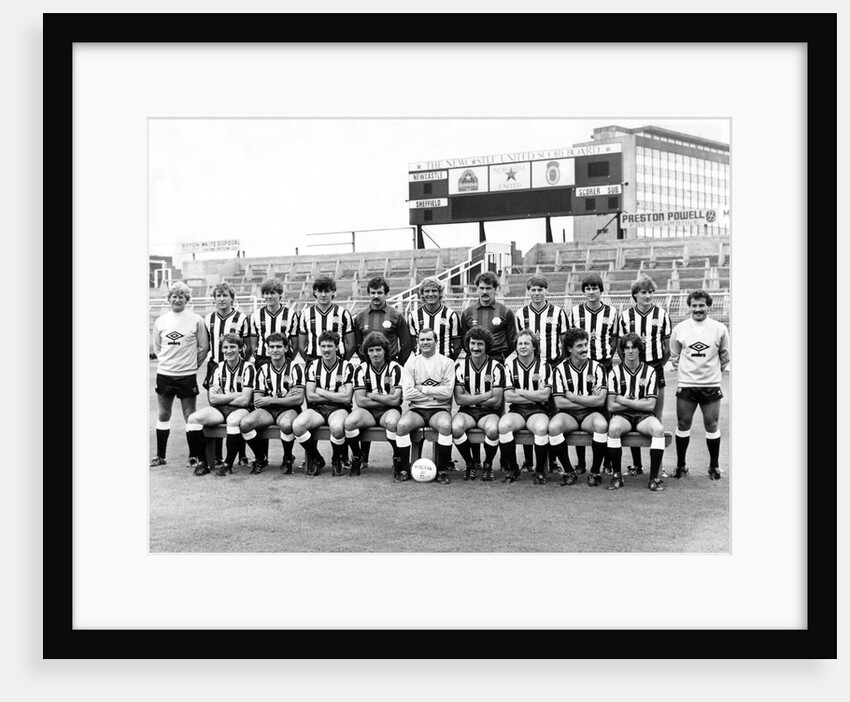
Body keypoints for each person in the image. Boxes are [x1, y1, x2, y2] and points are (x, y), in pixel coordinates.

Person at [352, 276, 412, 470]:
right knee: (360, 415)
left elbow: (407, 343)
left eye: (380, 292)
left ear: (387, 293)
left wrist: (395, 364)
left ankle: (398, 459)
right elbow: (359, 344)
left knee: (391, 415)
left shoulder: (395, 315)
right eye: (373, 292)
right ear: (369, 294)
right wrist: (367, 364)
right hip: (369, 369)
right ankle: (363, 458)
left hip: (390, 367)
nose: (376, 296)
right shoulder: (361, 317)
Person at [669, 290, 730, 480]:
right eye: (694, 305)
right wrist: (688, 371)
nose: (698, 309)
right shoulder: (680, 328)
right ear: (689, 307)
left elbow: (725, 355)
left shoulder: (719, 328)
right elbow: (674, 355)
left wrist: (709, 372)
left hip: (710, 385)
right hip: (687, 385)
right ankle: (681, 466)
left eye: (701, 305)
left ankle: (714, 466)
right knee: (683, 423)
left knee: (711, 425)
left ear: (708, 306)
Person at [150, 282, 210, 467]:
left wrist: (191, 365)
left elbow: (203, 347)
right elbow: (158, 347)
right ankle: (161, 456)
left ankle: (193, 456)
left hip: (187, 376)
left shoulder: (196, 320)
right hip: (165, 375)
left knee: (189, 415)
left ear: (187, 299)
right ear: (169, 298)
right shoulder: (161, 321)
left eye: (181, 296)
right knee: (163, 414)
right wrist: (168, 362)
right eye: (174, 296)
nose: (177, 299)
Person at [618, 275, 672, 477]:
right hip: (632, 370)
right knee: (632, 414)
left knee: (655, 418)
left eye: (650, 292)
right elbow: (620, 347)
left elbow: (667, 348)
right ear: (635, 295)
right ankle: (637, 465)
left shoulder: (662, 315)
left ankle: (658, 467)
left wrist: (656, 367)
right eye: (643, 292)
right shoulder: (625, 317)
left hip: (655, 368)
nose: (647, 295)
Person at [514, 275, 568, 472]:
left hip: (551, 365)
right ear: (528, 291)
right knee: (527, 409)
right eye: (533, 289)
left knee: (552, 415)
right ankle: (528, 461)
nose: (536, 293)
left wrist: (556, 365)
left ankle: (552, 462)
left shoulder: (559, 313)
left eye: (540, 289)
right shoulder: (521, 313)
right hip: (528, 366)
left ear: (547, 290)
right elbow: (520, 340)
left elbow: (564, 342)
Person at [567, 273, 619, 474]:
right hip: (580, 366)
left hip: (603, 366)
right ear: (584, 291)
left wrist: (605, 358)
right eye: (587, 288)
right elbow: (571, 339)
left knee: (604, 413)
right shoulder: (575, 312)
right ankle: (580, 462)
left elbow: (614, 340)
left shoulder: (612, 312)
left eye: (594, 288)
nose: (591, 292)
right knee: (579, 408)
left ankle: (605, 462)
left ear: (601, 290)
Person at [185, 334, 255, 476]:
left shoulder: (248, 368)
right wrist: (235, 394)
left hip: (242, 409)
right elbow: (213, 399)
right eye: (225, 347)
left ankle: (228, 464)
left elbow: (245, 400)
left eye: (232, 347)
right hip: (219, 409)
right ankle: (203, 463)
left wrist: (223, 395)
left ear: (241, 348)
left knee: (233, 421)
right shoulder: (218, 368)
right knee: (193, 420)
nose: (229, 351)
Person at [605, 333, 667, 492]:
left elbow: (650, 406)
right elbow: (611, 406)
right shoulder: (614, 373)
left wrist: (624, 401)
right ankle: (617, 476)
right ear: (623, 351)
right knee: (613, 429)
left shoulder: (651, 372)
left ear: (640, 350)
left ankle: (654, 478)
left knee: (659, 430)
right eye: (627, 348)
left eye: (634, 348)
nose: (631, 351)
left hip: (644, 417)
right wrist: (638, 403)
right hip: (622, 416)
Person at [548, 329, 609, 487]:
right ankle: (569, 471)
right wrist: (589, 399)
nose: (584, 349)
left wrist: (574, 397)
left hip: (591, 414)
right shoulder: (559, 370)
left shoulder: (598, 367)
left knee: (601, 426)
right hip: (569, 415)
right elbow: (560, 403)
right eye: (579, 346)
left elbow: (600, 401)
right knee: (554, 427)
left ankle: (595, 472)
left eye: (585, 344)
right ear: (569, 349)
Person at [394, 327, 456, 484]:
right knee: (401, 425)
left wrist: (422, 389)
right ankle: (403, 470)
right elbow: (408, 393)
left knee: (445, 425)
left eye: (429, 339)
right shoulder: (411, 363)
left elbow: (448, 393)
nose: (425, 342)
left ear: (436, 341)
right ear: (418, 342)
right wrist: (435, 394)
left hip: (439, 409)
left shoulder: (447, 363)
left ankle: (441, 470)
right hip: (417, 409)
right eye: (422, 339)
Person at [238, 332, 305, 475]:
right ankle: (260, 457)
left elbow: (298, 399)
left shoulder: (295, 367)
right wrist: (285, 397)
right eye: (272, 347)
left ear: (286, 348)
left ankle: (287, 457)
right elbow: (258, 400)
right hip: (268, 411)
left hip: (289, 409)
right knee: (245, 424)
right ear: (267, 349)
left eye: (279, 346)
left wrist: (271, 399)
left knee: (286, 424)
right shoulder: (262, 369)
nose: (275, 350)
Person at [202, 282, 251, 469]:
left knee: (239, 411)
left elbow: (246, 345)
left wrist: (239, 367)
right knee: (217, 407)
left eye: (225, 295)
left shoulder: (241, 318)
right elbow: (206, 345)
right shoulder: (208, 319)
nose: (221, 299)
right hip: (215, 365)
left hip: (237, 366)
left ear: (232, 298)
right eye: (218, 295)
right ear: (214, 299)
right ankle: (216, 456)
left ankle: (242, 455)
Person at [292, 330, 355, 476]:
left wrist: (321, 391)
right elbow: (310, 396)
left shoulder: (347, 366)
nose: (326, 350)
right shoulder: (313, 365)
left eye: (330, 346)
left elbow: (346, 398)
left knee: (337, 427)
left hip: (340, 408)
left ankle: (336, 459)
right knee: (297, 425)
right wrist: (335, 395)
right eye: (323, 346)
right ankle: (317, 458)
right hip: (317, 409)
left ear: (337, 347)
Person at [343, 331, 403, 476]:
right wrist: (385, 398)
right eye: (371, 350)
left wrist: (372, 395)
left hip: (389, 411)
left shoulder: (395, 368)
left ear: (385, 351)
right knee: (350, 422)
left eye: (378, 349)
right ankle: (357, 457)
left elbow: (395, 400)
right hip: (368, 413)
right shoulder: (361, 369)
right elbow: (360, 401)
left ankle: (397, 458)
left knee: (392, 422)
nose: (375, 354)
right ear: (366, 352)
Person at [498, 329, 553, 484]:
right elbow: (509, 397)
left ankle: (540, 470)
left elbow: (545, 396)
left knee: (541, 428)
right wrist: (534, 395)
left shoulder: (544, 366)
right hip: (517, 410)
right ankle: (513, 469)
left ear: (534, 346)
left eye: (526, 343)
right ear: (516, 347)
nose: (523, 346)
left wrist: (520, 391)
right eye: (520, 343)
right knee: (504, 425)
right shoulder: (509, 366)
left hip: (538, 410)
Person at [451, 327, 505, 482]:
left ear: (486, 346)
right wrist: (486, 395)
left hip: (489, 413)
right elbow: (460, 399)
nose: (475, 347)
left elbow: (497, 400)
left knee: (493, 430)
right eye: (472, 343)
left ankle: (488, 464)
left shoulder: (497, 367)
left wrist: (472, 397)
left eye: (480, 344)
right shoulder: (460, 367)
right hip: (467, 412)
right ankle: (470, 464)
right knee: (455, 428)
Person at [459, 271, 517, 364]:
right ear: (477, 289)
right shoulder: (467, 313)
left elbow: (512, 341)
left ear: (495, 289)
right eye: (481, 288)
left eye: (488, 288)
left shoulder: (506, 312)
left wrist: (500, 356)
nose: (485, 292)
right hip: (474, 360)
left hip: (496, 359)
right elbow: (464, 341)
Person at [297, 275, 355, 362]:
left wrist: (344, 362)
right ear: (315, 292)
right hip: (313, 359)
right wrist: (309, 362)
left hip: (337, 360)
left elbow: (351, 344)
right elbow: (301, 345)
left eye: (327, 291)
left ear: (333, 292)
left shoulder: (343, 313)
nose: (323, 295)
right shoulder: (305, 314)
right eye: (320, 291)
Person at [246, 277, 300, 368]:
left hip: (285, 359)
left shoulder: (291, 315)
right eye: (266, 293)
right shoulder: (255, 315)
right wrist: (259, 357)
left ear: (280, 294)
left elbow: (295, 345)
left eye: (272, 293)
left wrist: (290, 358)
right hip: (262, 359)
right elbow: (253, 345)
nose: (269, 296)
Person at [407, 277, 462, 361]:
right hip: (422, 364)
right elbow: (412, 343)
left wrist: (448, 362)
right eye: (427, 291)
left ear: (440, 293)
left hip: (444, 363)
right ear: (422, 294)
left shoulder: (451, 315)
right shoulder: (413, 316)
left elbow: (457, 345)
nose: (430, 294)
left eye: (434, 290)